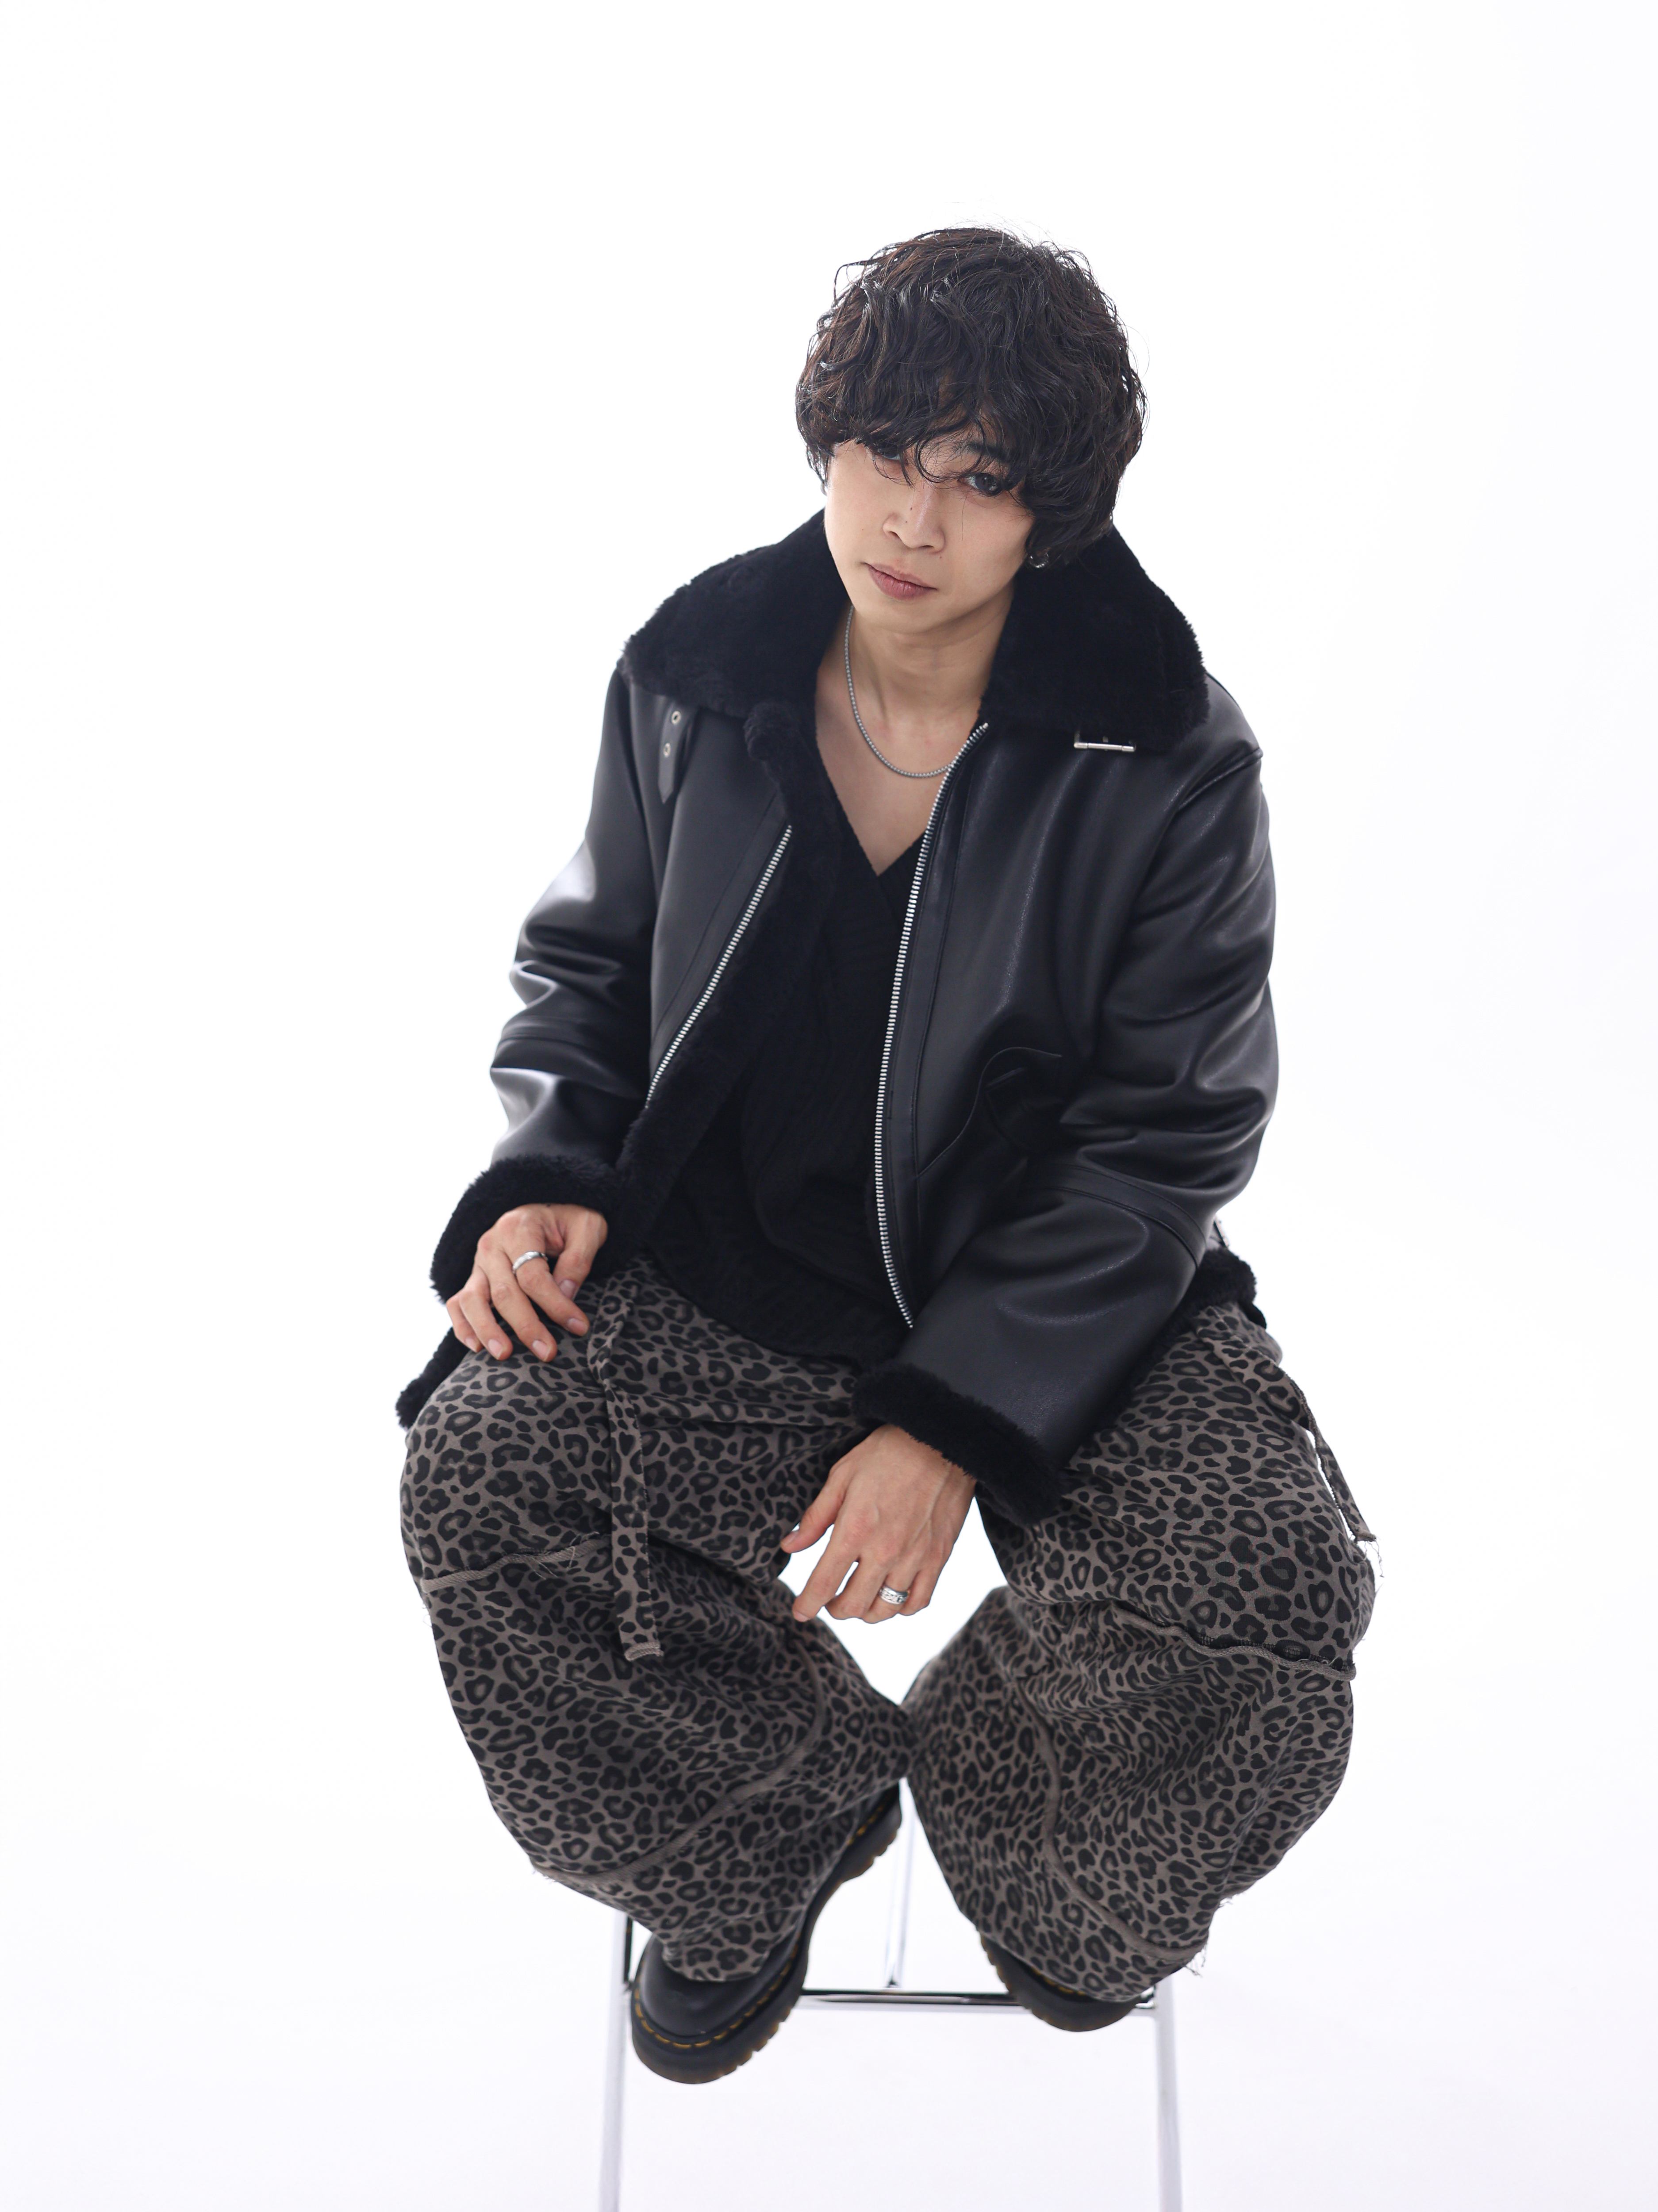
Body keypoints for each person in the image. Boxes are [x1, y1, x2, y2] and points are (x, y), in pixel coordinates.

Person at [397, 227, 1377, 2085]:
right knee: (485, 1475)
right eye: (882, 449)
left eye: (978, 476)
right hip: (730, 1263)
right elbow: (590, 967)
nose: (910, 516)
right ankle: (766, 1830)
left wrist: (953, 1416)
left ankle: (1050, 1861)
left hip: (1062, 1299)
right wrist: (553, 1170)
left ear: (1052, 509)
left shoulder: (1167, 750)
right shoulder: (695, 670)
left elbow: (1167, 1135)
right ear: (826, 439)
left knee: (1270, 1576)